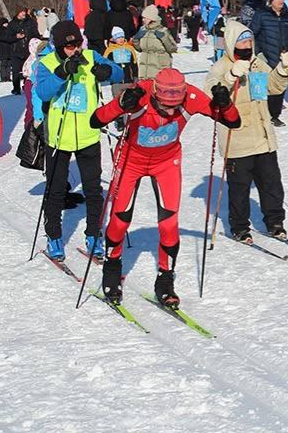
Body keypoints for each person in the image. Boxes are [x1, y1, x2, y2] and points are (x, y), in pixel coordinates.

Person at [90, 68, 240, 308]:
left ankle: (165, 280)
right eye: (165, 107)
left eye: (175, 107)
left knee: (169, 223)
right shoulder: (139, 94)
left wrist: (224, 104)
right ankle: (112, 266)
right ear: (156, 95)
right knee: (120, 219)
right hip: (131, 160)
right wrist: (120, 104)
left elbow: (233, 121)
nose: (171, 112)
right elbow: (95, 120)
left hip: (166, 163)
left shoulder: (190, 96)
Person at [33, 21, 124, 261]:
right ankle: (54, 236)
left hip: (88, 136)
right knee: (54, 191)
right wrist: (62, 73)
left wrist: (108, 72)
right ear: (59, 46)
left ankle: (94, 234)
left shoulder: (91, 57)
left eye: (77, 43)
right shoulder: (47, 63)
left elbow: (119, 71)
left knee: (93, 191)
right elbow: (42, 92)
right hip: (58, 138)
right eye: (69, 45)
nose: (75, 49)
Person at [204, 22, 288, 242]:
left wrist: (281, 71)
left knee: (271, 182)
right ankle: (240, 226)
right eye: (242, 41)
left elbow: (273, 87)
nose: (247, 45)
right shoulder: (220, 67)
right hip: (238, 139)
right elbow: (210, 97)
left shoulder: (256, 64)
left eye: (249, 41)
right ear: (232, 43)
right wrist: (230, 77)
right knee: (240, 187)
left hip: (263, 136)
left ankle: (275, 221)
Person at [251, 0, 288, 126]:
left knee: (279, 87)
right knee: (260, 88)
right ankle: (258, 116)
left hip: (281, 59)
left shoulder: (287, 16)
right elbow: (252, 35)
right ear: (270, 0)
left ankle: (274, 115)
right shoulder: (261, 15)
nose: (281, 1)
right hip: (263, 58)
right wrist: (257, 53)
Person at [103, 26, 139, 123]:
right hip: (116, 82)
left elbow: (134, 63)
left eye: (122, 37)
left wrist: (135, 76)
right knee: (117, 101)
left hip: (129, 80)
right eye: (118, 37)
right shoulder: (110, 50)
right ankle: (119, 120)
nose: (121, 39)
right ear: (114, 38)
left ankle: (131, 119)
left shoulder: (130, 48)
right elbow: (105, 65)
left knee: (130, 100)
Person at [132, 5, 178, 80]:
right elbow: (139, 49)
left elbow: (173, 48)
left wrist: (164, 38)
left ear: (152, 18)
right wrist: (136, 39)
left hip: (159, 71)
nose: (143, 20)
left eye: (145, 18)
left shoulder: (163, 30)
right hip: (145, 72)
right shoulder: (143, 29)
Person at [5, 9, 41, 95]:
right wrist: (16, 36)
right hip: (16, 50)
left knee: (28, 70)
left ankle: (26, 86)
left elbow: (36, 34)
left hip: (28, 50)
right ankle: (16, 88)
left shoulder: (31, 22)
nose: (24, 13)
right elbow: (7, 37)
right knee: (16, 71)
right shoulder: (12, 24)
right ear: (17, 13)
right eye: (21, 12)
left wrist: (36, 42)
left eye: (24, 11)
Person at [0, 17, 14, 82]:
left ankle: (8, 77)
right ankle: (3, 77)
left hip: (9, 50)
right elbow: (1, 38)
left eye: (7, 23)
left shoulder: (9, 30)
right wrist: (9, 39)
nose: (6, 24)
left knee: (8, 64)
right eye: (5, 23)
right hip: (3, 50)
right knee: (3, 64)